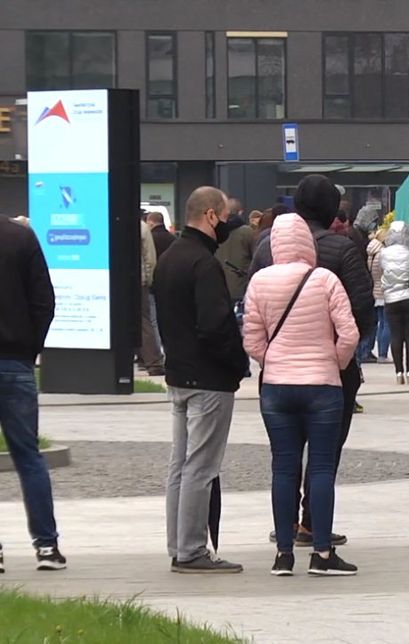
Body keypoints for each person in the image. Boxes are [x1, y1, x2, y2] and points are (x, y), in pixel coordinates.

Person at [250, 175, 373, 547]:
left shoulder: (264, 249)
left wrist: (268, 357)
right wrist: (336, 359)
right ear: (332, 210)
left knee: (283, 460)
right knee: (324, 456)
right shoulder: (343, 248)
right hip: (330, 374)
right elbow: (362, 313)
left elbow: (250, 317)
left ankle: (284, 531)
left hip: (276, 375)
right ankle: (313, 527)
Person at [154, 186, 249, 573]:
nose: (227, 223)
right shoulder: (204, 264)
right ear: (211, 215)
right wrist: (237, 364)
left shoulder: (170, 258)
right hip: (208, 378)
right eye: (224, 215)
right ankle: (192, 549)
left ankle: (179, 544)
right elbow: (215, 327)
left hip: (178, 373)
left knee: (180, 464)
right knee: (201, 467)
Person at [0, 214, 66, 572]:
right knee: (28, 457)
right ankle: (46, 546)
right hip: (14, 360)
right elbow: (45, 301)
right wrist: (30, 348)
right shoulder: (21, 239)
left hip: (15, 357)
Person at [380, 220, 409, 384]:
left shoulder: (384, 253)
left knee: (396, 335)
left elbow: (382, 271)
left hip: (391, 299)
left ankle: (398, 372)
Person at [138, 218, 165, 376]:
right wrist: (148, 279)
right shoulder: (142, 227)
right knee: (144, 320)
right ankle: (153, 361)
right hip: (137, 280)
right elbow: (149, 257)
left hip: (112, 280)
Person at [362, 230, 391, 365]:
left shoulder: (371, 253)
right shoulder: (382, 254)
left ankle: (371, 350)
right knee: (386, 323)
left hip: (376, 289)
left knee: (380, 323)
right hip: (384, 290)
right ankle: (382, 353)